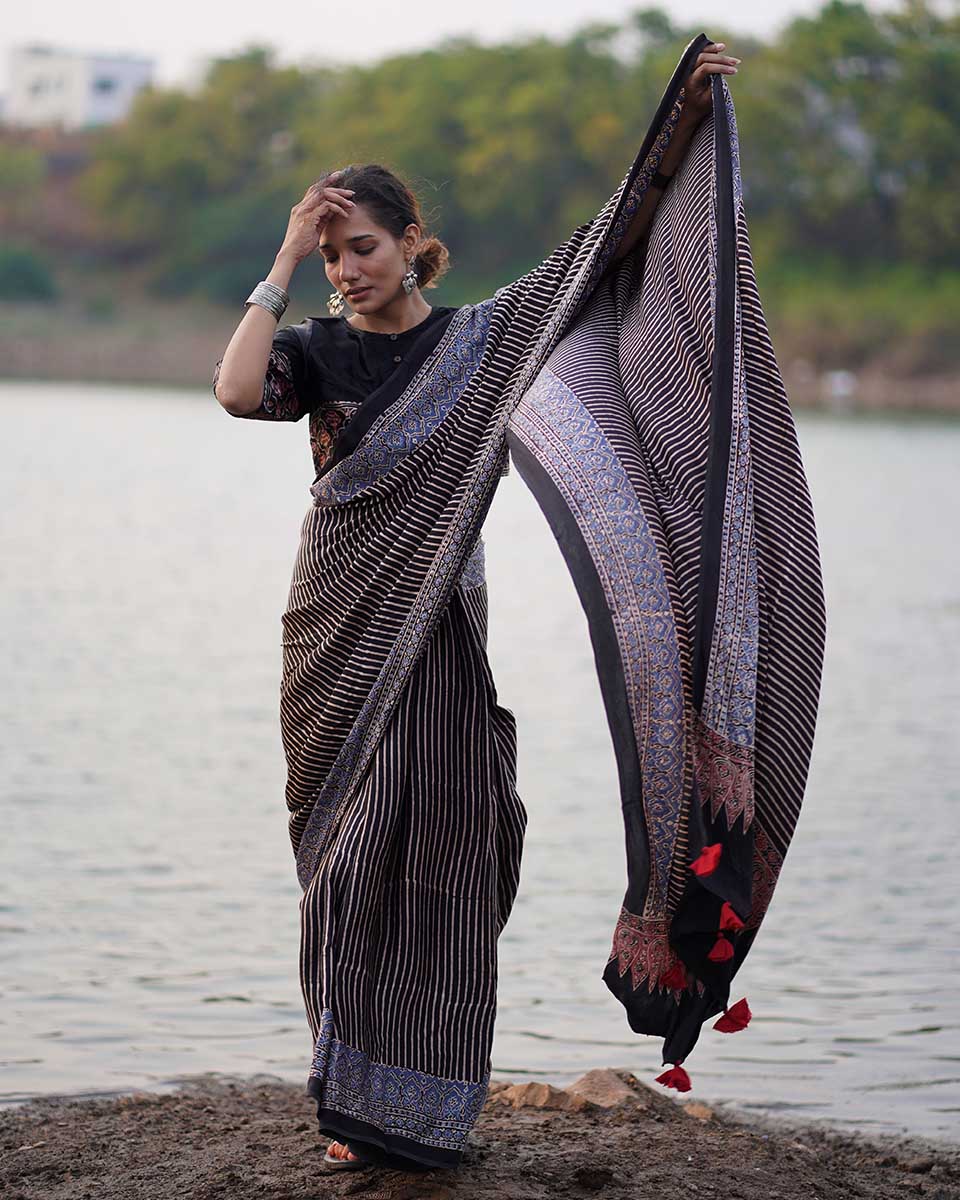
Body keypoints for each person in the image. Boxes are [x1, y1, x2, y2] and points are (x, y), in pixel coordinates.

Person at [212, 34, 825, 1177]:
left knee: (452, 840)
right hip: (337, 640)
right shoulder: (315, 352)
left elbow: (603, 248)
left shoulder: (483, 343)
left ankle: (432, 1104)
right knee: (344, 857)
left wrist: (683, 109)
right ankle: (349, 1097)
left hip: (441, 637)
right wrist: (282, 255)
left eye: (361, 248)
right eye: (333, 253)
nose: (347, 270)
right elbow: (237, 390)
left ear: (412, 247)